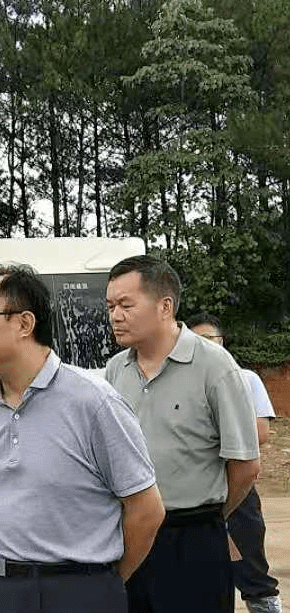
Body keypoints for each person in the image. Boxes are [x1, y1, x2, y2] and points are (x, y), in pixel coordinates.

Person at [0, 264, 164, 613]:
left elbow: (146, 509)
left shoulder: (94, 403)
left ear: (24, 324)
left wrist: (103, 581)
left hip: (79, 591)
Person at [104, 255, 260, 613]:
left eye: (126, 304)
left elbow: (246, 466)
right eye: (111, 305)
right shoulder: (116, 370)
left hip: (192, 538)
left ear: (165, 306)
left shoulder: (215, 367)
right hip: (130, 533)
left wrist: (210, 518)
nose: (115, 315)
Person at [187, 313, 283, 613]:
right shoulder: (182, 383)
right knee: (201, 577)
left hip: (237, 489)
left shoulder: (245, 378)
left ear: (222, 342)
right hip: (193, 494)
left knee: (252, 571)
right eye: (195, 342)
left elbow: (260, 433)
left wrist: (206, 439)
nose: (204, 348)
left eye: (209, 341)